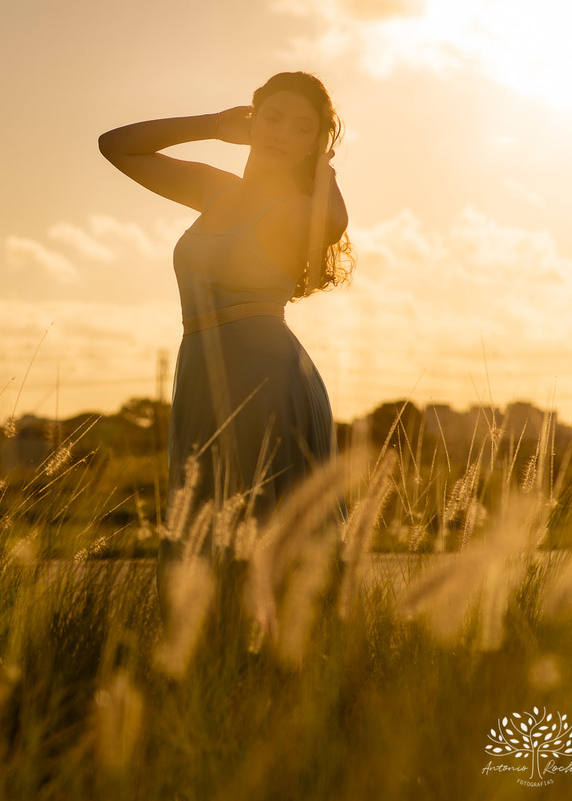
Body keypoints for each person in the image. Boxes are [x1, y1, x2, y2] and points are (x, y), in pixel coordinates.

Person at [98, 71, 353, 621]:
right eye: (273, 118)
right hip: (201, 369)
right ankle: (212, 657)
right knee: (203, 527)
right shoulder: (213, 191)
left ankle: (281, 663)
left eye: (302, 127)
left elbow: (331, 222)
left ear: (316, 141)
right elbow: (115, 145)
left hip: (267, 377)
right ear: (252, 119)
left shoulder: (292, 208)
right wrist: (212, 125)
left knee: (269, 527)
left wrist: (322, 167)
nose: (283, 133)